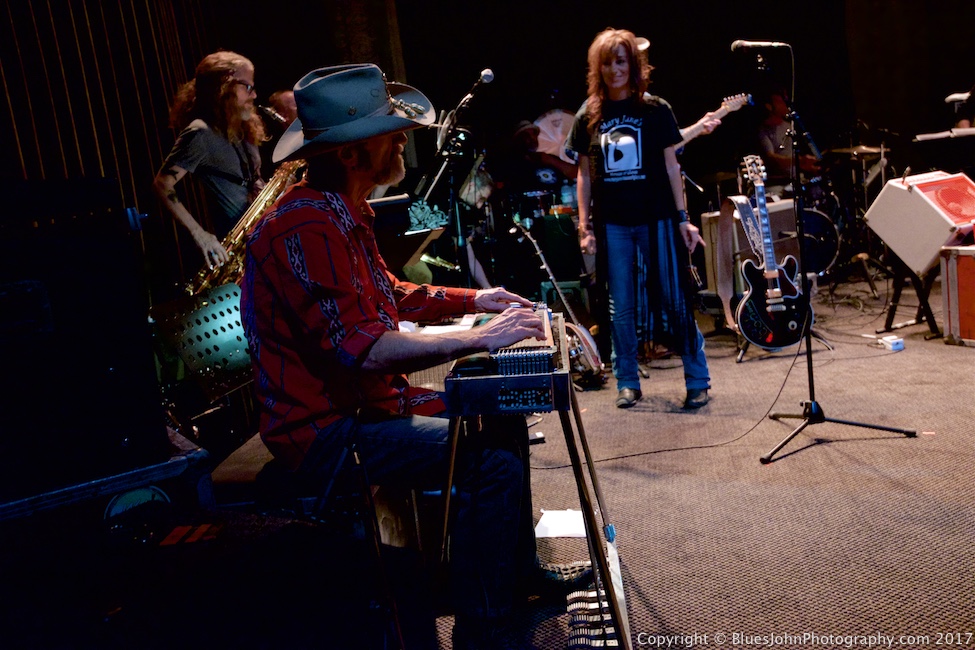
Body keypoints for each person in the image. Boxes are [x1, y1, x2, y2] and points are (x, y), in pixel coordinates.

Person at [241, 63, 580, 649]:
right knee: (491, 460)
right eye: (388, 133)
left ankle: (514, 576)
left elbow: (389, 293)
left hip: (363, 407)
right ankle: (486, 629)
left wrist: (477, 300)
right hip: (324, 433)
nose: (401, 139)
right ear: (351, 153)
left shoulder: (343, 210)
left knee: (503, 422)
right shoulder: (306, 227)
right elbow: (364, 349)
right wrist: (480, 337)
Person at [566, 28, 711, 410]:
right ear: (598, 69)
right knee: (621, 307)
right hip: (613, 224)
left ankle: (697, 379)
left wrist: (683, 218)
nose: (615, 69)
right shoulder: (589, 115)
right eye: (607, 63)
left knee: (675, 300)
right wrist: (584, 226)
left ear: (633, 64)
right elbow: (583, 175)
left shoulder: (655, 109)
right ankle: (627, 381)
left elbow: (671, 166)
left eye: (621, 61)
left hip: (657, 219)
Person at [152, 50, 265, 270]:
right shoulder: (201, 132)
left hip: (261, 238)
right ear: (223, 87)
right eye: (247, 87)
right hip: (238, 252)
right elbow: (162, 184)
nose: (254, 95)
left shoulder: (244, 127)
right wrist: (199, 234)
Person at [757, 88, 820, 196]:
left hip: (795, 179)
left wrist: (810, 166)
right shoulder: (763, 131)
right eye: (780, 102)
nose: (785, 104)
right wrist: (801, 161)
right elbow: (771, 159)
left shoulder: (789, 126)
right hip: (777, 184)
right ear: (769, 106)